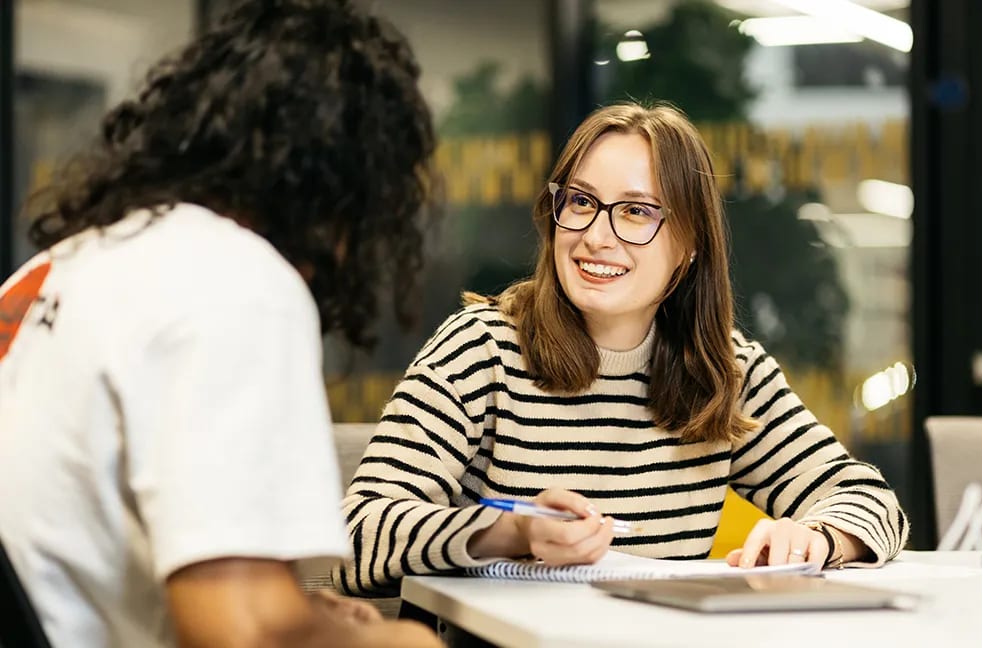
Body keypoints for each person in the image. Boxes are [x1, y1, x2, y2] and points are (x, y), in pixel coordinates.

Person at [0, 1, 440, 646]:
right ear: (345, 189)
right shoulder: (235, 281)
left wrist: (309, 619)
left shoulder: (58, 268)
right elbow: (242, 634)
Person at [337, 102, 909, 596]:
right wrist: (507, 533)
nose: (595, 234)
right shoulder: (480, 349)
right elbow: (357, 536)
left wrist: (820, 537)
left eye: (636, 211)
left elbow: (868, 499)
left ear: (689, 244)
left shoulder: (725, 371)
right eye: (581, 202)